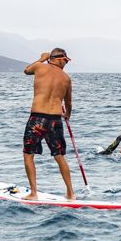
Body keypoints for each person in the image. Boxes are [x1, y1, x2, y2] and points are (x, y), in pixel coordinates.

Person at [22, 48, 75, 200]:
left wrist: (41, 59)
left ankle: (34, 193)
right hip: (55, 120)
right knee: (59, 156)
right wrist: (67, 115)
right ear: (58, 58)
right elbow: (68, 103)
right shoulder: (66, 78)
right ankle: (71, 193)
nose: (66, 63)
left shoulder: (40, 66)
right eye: (65, 60)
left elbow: (26, 70)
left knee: (28, 155)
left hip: (37, 118)